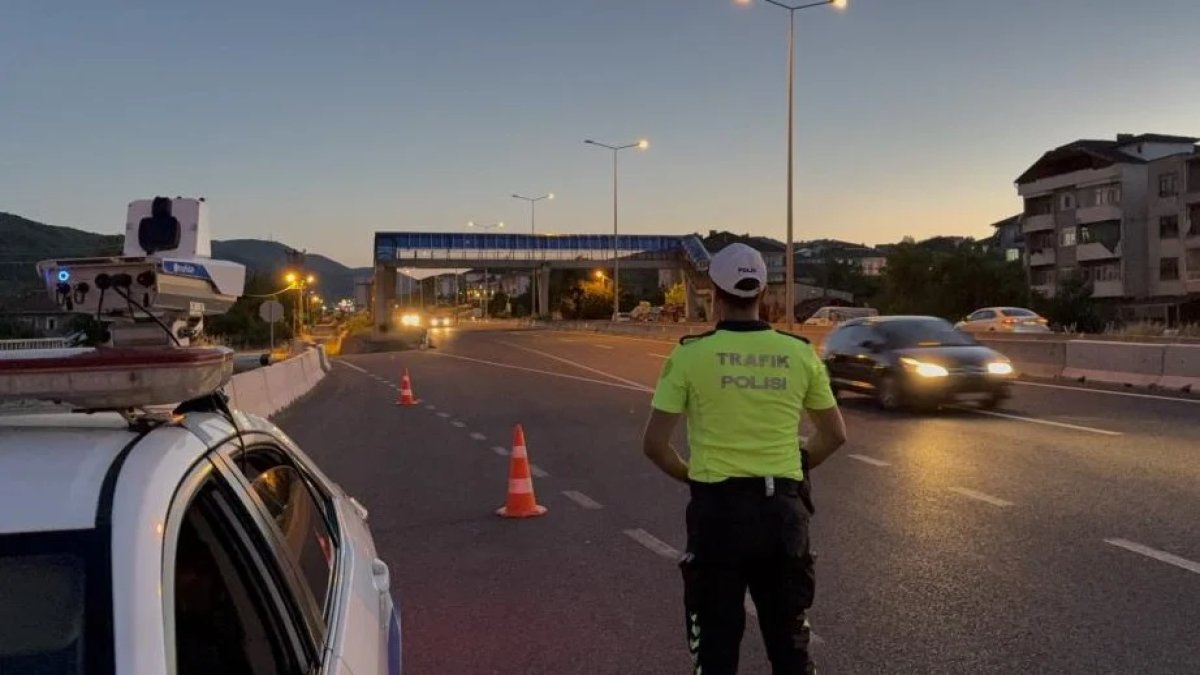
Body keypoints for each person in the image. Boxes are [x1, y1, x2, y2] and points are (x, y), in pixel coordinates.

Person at [642, 243, 847, 675]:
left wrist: (693, 476)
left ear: (713, 295)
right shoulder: (799, 353)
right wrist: (794, 466)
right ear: (763, 296)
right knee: (790, 646)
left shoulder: (689, 356)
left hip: (718, 515)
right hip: (783, 515)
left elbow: (656, 445)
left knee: (715, 648)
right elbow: (833, 435)